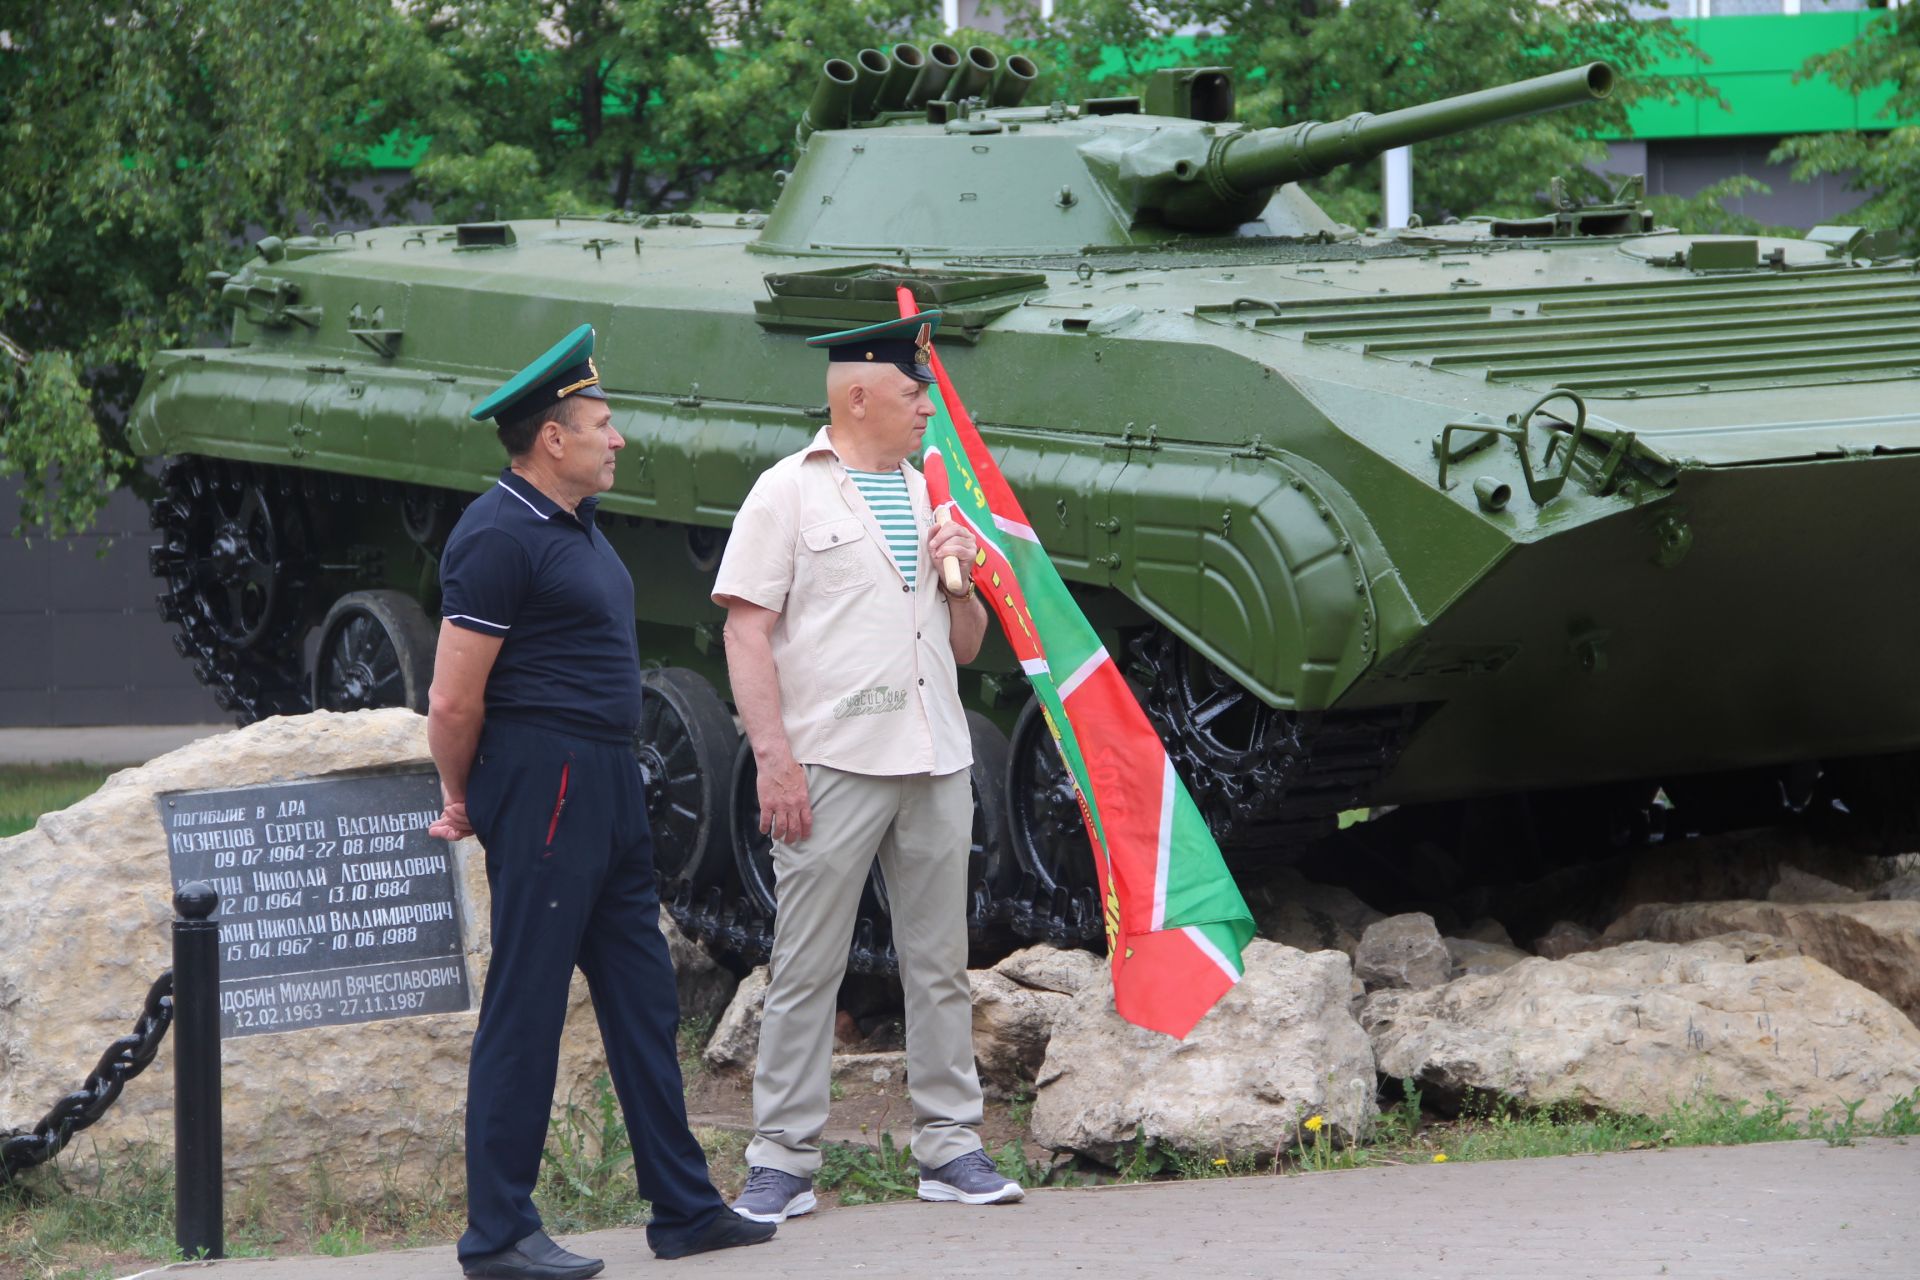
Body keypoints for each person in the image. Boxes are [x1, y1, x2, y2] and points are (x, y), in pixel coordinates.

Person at [427, 324, 775, 1277]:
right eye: (601, 422)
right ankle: (497, 1234)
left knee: (643, 997)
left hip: (611, 780)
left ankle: (683, 1207)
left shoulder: (572, 525)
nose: (617, 438)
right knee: (527, 1006)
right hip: (547, 780)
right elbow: (455, 696)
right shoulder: (496, 533)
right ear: (552, 437)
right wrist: (460, 795)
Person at [712, 311, 1025, 1223]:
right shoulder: (788, 493)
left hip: (933, 757)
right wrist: (773, 758)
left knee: (941, 962)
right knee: (807, 964)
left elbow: (966, 647)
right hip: (834, 762)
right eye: (910, 390)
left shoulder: (933, 497)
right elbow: (745, 630)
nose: (926, 405)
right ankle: (781, 1159)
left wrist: (959, 572)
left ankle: (950, 1145)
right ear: (859, 395)